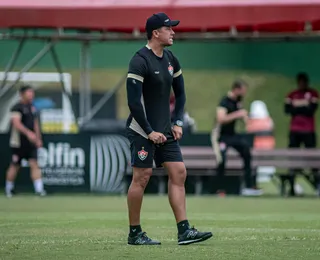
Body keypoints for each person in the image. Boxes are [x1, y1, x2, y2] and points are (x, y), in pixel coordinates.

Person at [125, 12, 212, 246]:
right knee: (141, 178)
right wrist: (149, 131)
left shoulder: (172, 59)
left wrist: (178, 122)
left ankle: (184, 231)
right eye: (169, 28)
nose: (173, 32)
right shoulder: (139, 60)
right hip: (142, 130)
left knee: (179, 172)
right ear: (156, 33)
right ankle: (135, 233)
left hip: (166, 130)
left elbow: (181, 95)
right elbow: (134, 103)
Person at [211, 80, 263, 197]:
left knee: (246, 151)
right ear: (236, 89)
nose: (244, 93)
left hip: (232, 135)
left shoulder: (237, 101)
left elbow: (241, 113)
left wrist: (246, 119)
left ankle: (249, 186)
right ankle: (219, 189)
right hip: (220, 136)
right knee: (221, 160)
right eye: (243, 90)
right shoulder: (225, 101)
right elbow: (221, 119)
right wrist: (237, 114)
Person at [5, 85, 46, 198]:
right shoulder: (16, 108)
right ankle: (9, 189)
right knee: (15, 165)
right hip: (18, 143)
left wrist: (38, 138)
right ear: (22, 94)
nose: (31, 95)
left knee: (35, 164)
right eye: (29, 93)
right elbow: (16, 123)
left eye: (32, 93)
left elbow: (36, 124)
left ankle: (39, 190)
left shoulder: (33, 107)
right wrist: (28, 133)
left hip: (31, 143)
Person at [284, 72, 319, 196]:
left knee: (313, 160)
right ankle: (292, 187)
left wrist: (297, 106)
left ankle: (317, 185)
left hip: (308, 131)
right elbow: (288, 110)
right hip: (295, 131)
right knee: (293, 160)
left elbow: (311, 110)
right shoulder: (292, 94)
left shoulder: (313, 93)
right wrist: (304, 104)